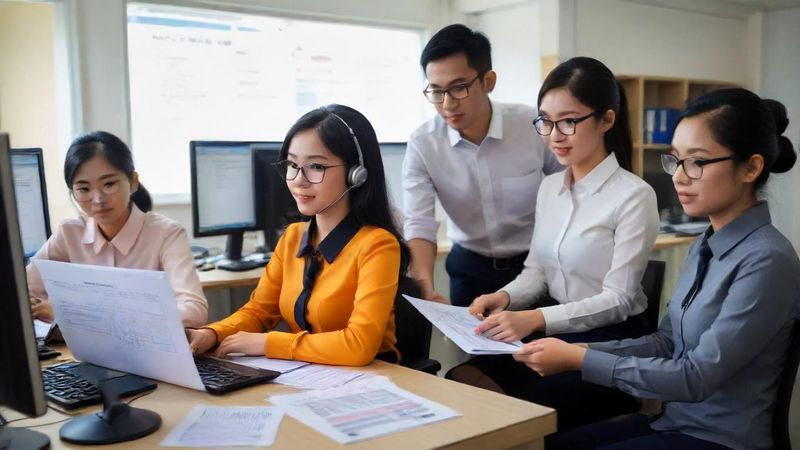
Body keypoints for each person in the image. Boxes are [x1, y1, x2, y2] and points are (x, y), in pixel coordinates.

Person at [523, 88, 799, 450]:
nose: (679, 177)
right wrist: (578, 351)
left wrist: (581, 359)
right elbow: (666, 343)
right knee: (548, 443)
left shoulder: (769, 260)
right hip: (673, 422)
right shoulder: (705, 242)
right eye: (675, 160)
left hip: (720, 440)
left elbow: (696, 376)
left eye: (697, 162)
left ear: (751, 167)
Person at [449, 56, 660, 430]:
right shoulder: (550, 188)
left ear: (606, 120)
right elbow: (537, 270)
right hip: (556, 328)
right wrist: (506, 298)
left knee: (517, 411)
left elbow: (620, 299)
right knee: (460, 378)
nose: (554, 135)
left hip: (608, 344)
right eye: (545, 121)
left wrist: (534, 318)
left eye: (569, 121)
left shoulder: (634, 196)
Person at [187, 105, 411, 366]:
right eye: (293, 164)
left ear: (355, 175)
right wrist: (211, 334)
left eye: (316, 166)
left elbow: (359, 345)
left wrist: (268, 343)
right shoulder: (293, 237)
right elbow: (259, 312)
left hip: (373, 381)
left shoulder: (378, 245)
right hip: (310, 376)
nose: (298, 180)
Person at [403, 24, 561, 306]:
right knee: (480, 350)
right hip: (470, 271)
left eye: (459, 88)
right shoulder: (423, 143)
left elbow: (571, 187)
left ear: (488, 81)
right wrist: (424, 287)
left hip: (539, 265)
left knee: (543, 349)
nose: (447, 104)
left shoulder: (533, 126)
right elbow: (419, 223)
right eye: (436, 91)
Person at [27, 130, 208, 328]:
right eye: (84, 189)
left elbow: (193, 310)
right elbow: (23, 290)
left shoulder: (167, 234)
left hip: (149, 354)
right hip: (87, 352)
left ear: (132, 182)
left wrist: (76, 313)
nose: (98, 200)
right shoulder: (69, 233)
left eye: (109, 184)